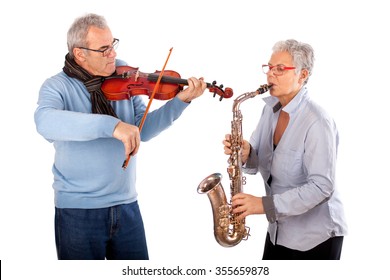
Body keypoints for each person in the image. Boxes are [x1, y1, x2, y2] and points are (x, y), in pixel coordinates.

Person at [34, 13, 206, 260]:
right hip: (77, 211)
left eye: (112, 45)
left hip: (127, 207)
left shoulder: (123, 76)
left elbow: (141, 130)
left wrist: (181, 101)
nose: (112, 54)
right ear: (80, 53)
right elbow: (45, 122)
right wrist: (112, 125)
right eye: (103, 49)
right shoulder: (57, 86)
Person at [223, 39, 347, 260]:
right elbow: (259, 161)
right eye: (269, 68)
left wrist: (263, 205)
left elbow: (321, 187)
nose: (271, 75)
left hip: (316, 238)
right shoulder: (270, 111)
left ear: (302, 75)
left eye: (280, 69)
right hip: (278, 232)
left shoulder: (317, 122)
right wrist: (246, 153)